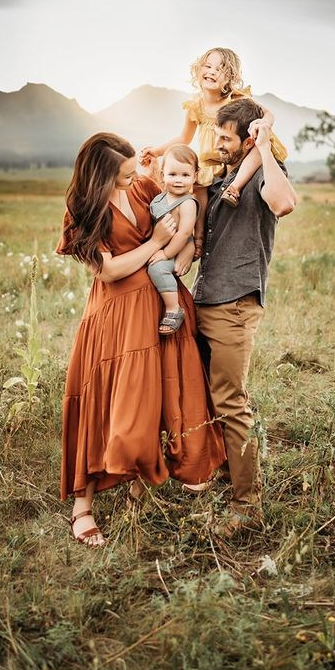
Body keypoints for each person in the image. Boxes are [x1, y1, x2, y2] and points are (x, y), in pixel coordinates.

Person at [56, 132, 225, 547]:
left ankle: (141, 484)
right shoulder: (82, 208)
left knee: (162, 396)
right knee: (105, 401)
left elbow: (187, 207)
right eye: (127, 174)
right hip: (116, 315)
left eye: (136, 170)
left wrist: (185, 252)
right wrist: (155, 244)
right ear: (103, 176)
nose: (136, 178)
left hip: (161, 309)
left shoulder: (145, 187)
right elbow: (109, 271)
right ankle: (83, 506)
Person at [189, 97, 297, 536]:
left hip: (234, 303)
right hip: (205, 298)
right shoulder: (225, 177)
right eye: (217, 135)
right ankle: (224, 472)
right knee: (209, 396)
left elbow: (284, 203)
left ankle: (246, 505)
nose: (219, 143)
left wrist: (265, 146)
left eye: (226, 138)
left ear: (248, 139)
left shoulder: (264, 173)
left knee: (231, 402)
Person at [138, 47, 287, 257]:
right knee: (199, 190)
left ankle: (235, 187)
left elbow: (268, 113)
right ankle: (198, 238)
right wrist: (156, 151)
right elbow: (184, 138)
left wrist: (264, 124)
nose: (212, 72)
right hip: (211, 160)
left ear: (230, 78)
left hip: (237, 157)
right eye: (208, 66)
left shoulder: (237, 100)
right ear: (198, 70)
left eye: (220, 69)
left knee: (258, 147)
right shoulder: (196, 106)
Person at [147, 144, 200, 335]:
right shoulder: (160, 198)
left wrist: (165, 253)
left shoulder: (187, 203)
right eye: (172, 174)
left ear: (195, 176)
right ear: (163, 175)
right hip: (160, 244)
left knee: (157, 269)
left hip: (175, 249)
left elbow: (184, 233)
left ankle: (173, 308)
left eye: (185, 175)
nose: (178, 180)